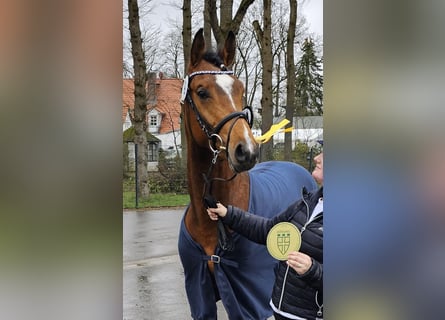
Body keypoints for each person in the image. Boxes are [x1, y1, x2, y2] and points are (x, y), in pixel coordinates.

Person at [207, 148, 323, 320]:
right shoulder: (309, 202)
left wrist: (312, 270)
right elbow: (268, 230)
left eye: (325, 154)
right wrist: (228, 214)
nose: (317, 157)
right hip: (281, 311)